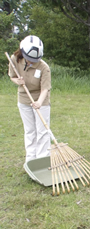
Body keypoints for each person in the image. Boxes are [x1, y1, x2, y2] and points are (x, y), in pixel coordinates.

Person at [8, 35, 52, 163]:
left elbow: (45, 89)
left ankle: (42, 160)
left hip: (41, 100)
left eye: (34, 60)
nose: (31, 62)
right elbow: (12, 76)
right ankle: (31, 161)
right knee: (30, 131)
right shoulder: (14, 60)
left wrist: (39, 102)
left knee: (42, 131)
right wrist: (18, 81)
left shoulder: (44, 68)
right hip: (23, 99)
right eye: (29, 59)